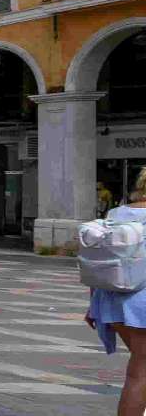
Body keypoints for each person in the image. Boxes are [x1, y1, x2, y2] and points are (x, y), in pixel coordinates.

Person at [86, 165, 146, 416]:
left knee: (140, 368)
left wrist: (92, 305)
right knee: (140, 373)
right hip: (142, 303)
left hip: (111, 301)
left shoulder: (116, 213)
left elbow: (100, 260)